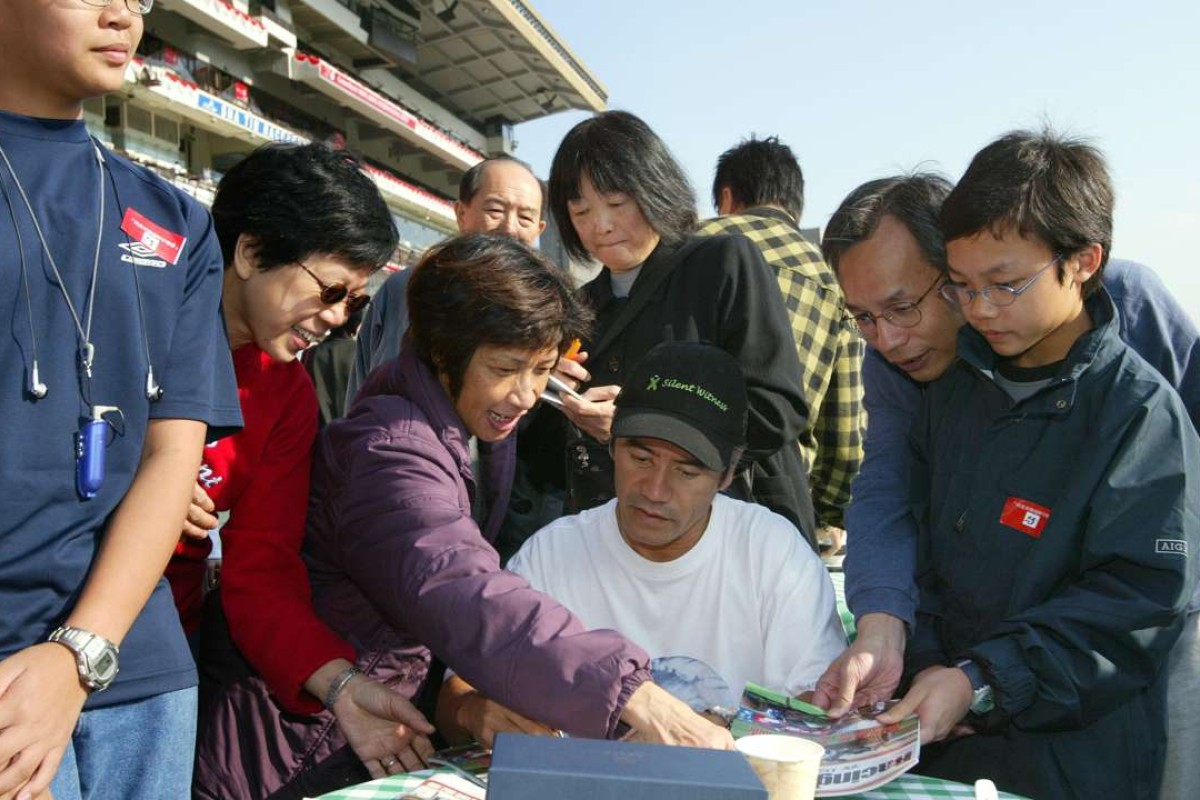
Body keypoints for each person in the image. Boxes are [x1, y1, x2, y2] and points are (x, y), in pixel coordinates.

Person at [213, 234, 734, 798]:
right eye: (508, 367)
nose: (527, 395)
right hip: (286, 746)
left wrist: (467, 706)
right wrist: (627, 688)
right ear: (443, 352)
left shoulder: (474, 423)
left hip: (359, 730)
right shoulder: (387, 451)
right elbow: (459, 585)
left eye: (542, 369)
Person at [812, 173, 1200, 798]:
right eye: (862, 317)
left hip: (1136, 624)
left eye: (903, 307)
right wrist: (887, 626)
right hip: (1000, 666)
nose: (885, 338)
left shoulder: (1128, 308)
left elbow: (1146, 570)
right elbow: (892, 489)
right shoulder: (913, 367)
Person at [0, 2, 243, 798]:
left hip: (135, 670)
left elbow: (174, 455)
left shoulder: (177, 220)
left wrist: (80, 651)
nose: (121, 14)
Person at [168, 144, 436, 800]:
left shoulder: (286, 396)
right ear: (252, 253)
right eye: (331, 291)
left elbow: (262, 574)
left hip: (161, 660)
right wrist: (136, 493)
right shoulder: (129, 314)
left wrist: (341, 686)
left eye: (356, 302)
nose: (339, 318)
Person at [482, 342, 845, 735]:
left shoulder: (773, 552)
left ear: (728, 473)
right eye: (640, 458)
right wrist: (476, 711)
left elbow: (817, 706)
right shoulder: (550, 555)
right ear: (612, 442)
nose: (655, 490)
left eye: (687, 472)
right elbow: (467, 685)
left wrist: (719, 730)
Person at [526, 110, 818, 547]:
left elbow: (776, 407)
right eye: (580, 209)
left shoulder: (723, 263)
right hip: (619, 540)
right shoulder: (579, 306)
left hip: (730, 533)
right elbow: (544, 463)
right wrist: (547, 393)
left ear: (654, 188)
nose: (599, 226)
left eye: (616, 204)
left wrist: (638, 425)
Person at [697, 136, 864, 552]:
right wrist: (824, 513)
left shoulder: (685, 245)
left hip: (670, 484)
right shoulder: (832, 274)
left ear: (726, 196)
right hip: (777, 498)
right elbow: (844, 430)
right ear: (794, 204)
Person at [346, 154, 546, 404]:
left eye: (525, 218)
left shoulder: (549, 307)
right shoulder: (409, 288)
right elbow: (372, 394)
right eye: (495, 210)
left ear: (539, 230)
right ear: (462, 213)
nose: (509, 228)